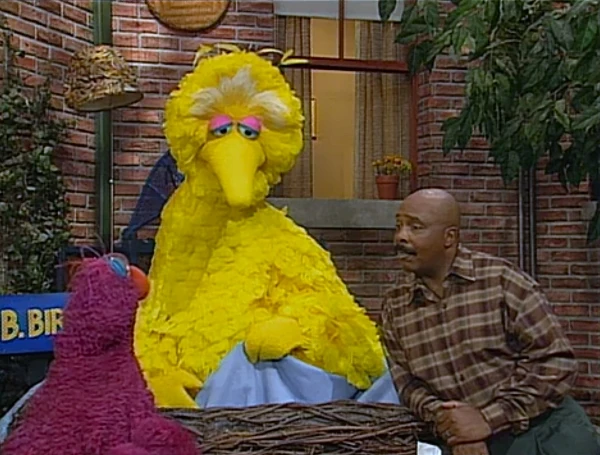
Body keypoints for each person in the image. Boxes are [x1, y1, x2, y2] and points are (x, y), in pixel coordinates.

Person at [381, 188, 600, 455]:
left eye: (415, 227)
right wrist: (456, 427)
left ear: (449, 237)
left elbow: (556, 362)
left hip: (544, 431)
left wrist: (487, 419)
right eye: (399, 226)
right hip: (465, 445)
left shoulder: (502, 281)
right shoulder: (395, 307)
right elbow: (408, 386)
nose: (401, 237)